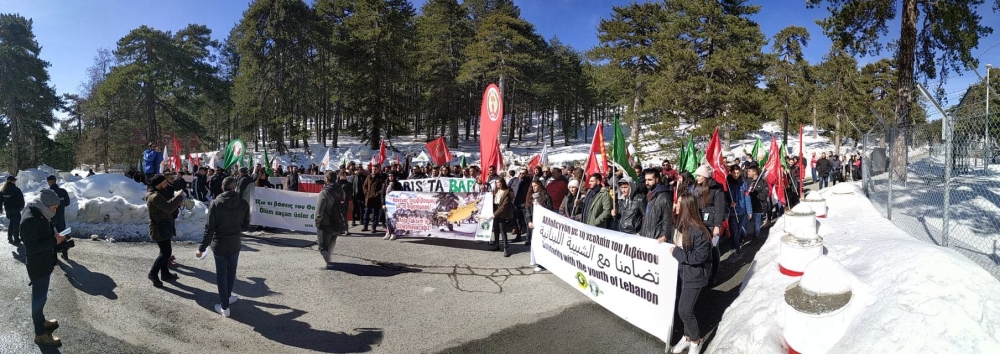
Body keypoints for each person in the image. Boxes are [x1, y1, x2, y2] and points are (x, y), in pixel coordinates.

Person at [664, 193, 712, 354]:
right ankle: (687, 337)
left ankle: (696, 341)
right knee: (684, 308)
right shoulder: (679, 225)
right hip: (682, 273)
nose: (675, 206)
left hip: (695, 275)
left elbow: (699, 257)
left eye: (678, 204)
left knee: (684, 310)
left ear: (686, 207)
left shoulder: (700, 231)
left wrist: (676, 253)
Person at [196, 177, 250, 317]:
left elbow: (209, 229)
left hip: (219, 244)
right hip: (235, 243)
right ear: (234, 188)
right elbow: (245, 225)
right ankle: (227, 298)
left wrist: (201, 248)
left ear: (222, 187)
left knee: (221, 274)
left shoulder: (215, 203)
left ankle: (224, 306)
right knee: (231, 271)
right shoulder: (243, 203)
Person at [20, 189, 66, 346]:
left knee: (41, 298)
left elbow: (41, 236)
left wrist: (56, 239)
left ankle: (41, 320)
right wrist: (54, 240)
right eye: (53, 208)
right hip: (37, 265)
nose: (55, 211)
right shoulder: (30, 219)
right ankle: (40, 334)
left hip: (43, 262)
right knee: (38, 299)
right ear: (45, 205)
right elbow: (31, 247)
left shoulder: (40, 212)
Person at [146, 174, 184, 288]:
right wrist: (179, 197)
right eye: (164, 183)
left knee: (165, 252)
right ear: (158, 184)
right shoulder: (155, 196)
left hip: (163, 227)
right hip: (159, 229)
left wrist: (176, 200)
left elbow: (168, 206)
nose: (166, 184)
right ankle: (153, 273)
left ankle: (165, 273)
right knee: (166, 253)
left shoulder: (158, 193)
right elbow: (168, 207)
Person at [693, 165, 725, 285]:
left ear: (705, 176)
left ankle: (714, 274)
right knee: (702, 249)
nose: (697, 178)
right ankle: (704, 273)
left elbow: (719, 208)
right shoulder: (697, 189)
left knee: (713, 249)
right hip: (700, 223)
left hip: (712, 224)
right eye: (697, 175)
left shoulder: (716, 189)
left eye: (699, 175)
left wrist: (717, 225)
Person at [315, 171, 348, 268]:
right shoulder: (341, 190)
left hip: (325, 223)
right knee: (331, 243)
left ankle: (327, 262)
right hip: (337, 221)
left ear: (326, 179)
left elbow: (319, 210)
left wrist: (317, 222)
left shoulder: (324, 192)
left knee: (322, 246)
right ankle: (328, 259)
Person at [726, 165, 752, 253]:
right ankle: (738, 248)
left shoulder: (743, 183)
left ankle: (735, 242)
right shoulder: (727, 183)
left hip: (741, 211)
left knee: (739, 228)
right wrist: (729, 203)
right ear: (730, 172)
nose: (736, 175)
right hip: (732, 213)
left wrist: (749, 211)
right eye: (734, 173)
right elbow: (724, 198)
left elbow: (747, 197)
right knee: (735, 230)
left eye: (737, 173)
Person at [46, 176, 71, 258]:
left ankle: (53, 255)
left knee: (50, 235)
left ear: (49, 182)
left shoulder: (48, 193)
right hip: (61, 216)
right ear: (55, 181)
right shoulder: (63, 191)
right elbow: (67, 203)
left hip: (50, 217)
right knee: (62, 234)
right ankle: (65, 253)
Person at [490, 178, 513, 257]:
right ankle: (497, 245)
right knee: (496, 229)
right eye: (496, 182)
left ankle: (506, 248)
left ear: (502, 182)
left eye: (498, 182)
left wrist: (495, 214)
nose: (497, 184)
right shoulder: (496, 191)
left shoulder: (507, 192)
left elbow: (504, 206)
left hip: (501, 213)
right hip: (495, 210)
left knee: (502, 230)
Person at [745, 165, 768, 241]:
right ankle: (746, 235)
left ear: (754, 172)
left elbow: (764, 195)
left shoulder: (762, 182)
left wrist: (755, 194)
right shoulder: (748, 181)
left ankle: (756, 237)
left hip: (757, 206)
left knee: (757, 223)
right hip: (748, 206)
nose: (747, 173)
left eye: (749, 171)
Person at [2, 176, 25, 245]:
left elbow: (1, 200)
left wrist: (0, 208)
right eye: (14, 180)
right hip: (15, 209)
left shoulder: (3, 190)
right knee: (16, 224)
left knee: (12, 222)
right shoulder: (16, 189)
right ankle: (16, 238)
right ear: (11, 181)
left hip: (8, 210)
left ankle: (9, 237)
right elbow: (21, 199)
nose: (15, 181)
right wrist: (22, 206)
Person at [362, 165, 386, 233]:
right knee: (366, 213)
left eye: (375, 169)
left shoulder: (381, 178)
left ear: (378, 170)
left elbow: (383, 188)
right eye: (373, 169)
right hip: (369, 198)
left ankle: (373, 227)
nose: (374, 170)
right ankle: (365, 226)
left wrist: (377, 194)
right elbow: (364, 186)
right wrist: (366, 193)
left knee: (375, 214)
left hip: (376, 199)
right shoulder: (369, 176)